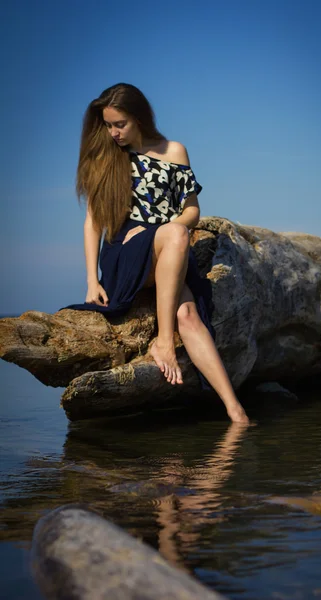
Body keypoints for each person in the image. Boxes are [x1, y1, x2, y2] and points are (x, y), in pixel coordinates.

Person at [65, 83, 249, 424]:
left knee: (189, 316)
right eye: (108, 125)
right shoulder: (104, 158)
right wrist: (92, 280)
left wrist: (156, 232)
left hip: (168, 252)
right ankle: (163, 343)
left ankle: (235, 411)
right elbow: (93, 224)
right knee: (176, 234)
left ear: (139, 118)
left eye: (120, 124)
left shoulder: (174, 151)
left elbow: (192, 211)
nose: (113, 132)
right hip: (124, 255)